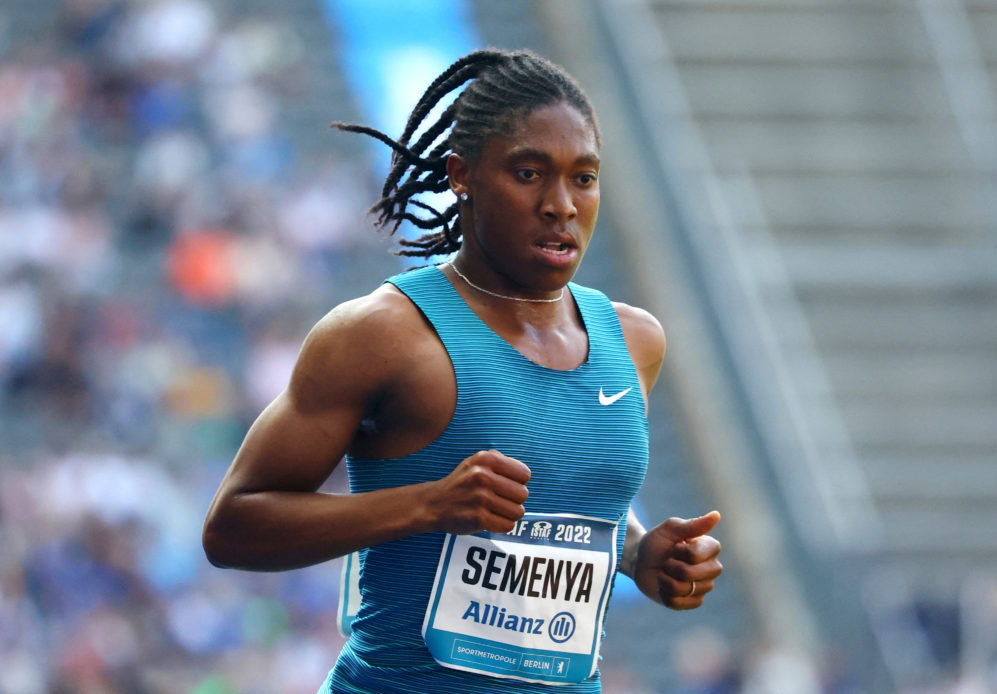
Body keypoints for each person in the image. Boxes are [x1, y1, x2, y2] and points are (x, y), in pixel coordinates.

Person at [202, 48, 723, 693]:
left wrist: (640, 555)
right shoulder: (383, 333)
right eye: (529, 173)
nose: (561, 204)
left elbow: (566, 510)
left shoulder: (634, 340)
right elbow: (232, 527)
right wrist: (426, 505)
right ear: (462, 175)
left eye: (583, 178)